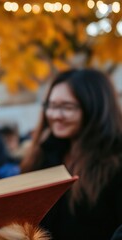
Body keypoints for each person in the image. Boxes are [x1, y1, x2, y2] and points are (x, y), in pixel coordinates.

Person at [21, 68, 122, 240]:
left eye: (67, 107)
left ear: (95, 109)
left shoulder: (116, 161)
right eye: (50, 105)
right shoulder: (45, 153)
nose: (55, 115)